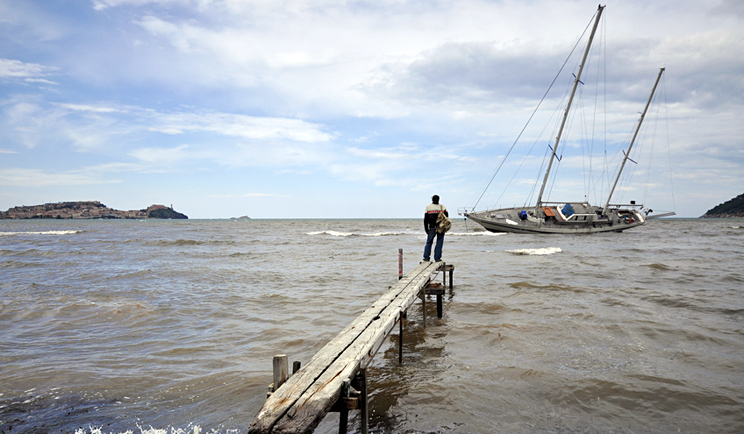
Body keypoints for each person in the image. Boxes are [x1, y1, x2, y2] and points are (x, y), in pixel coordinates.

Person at [423, 195, 448, 262]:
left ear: (432, 199)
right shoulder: (442, 207)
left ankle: (426, 257)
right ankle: (437, 258)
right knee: (439, 243)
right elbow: (447, 217)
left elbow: (426, 219)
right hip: (441, 227)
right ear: (439, 199)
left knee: (429, 242)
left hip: (432, 227)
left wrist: (426, 228)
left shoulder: (428, 207)